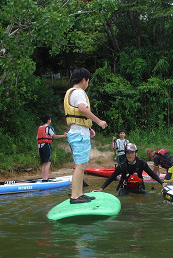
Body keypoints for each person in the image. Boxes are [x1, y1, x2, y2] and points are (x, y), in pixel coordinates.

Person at [64, 68, 107, 204]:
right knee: (80, 166)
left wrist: (88, 128)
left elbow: (79, 114)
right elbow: (82, 109)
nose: (87, 84)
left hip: (79, 132)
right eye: (88, 81)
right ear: (84, 80)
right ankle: (75, 196)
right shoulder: (79, 92)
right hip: (78, 134)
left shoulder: (72, 92)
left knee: (81, 165)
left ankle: (79, 194)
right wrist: (99, 121)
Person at [95, 143, 166, 196]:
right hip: (125, 189)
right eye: (128, 153)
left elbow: (152, 174)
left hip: (139, 188)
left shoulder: (142, 163)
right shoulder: (121, 166)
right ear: (125, 154)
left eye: (132, 153)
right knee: (121, 198)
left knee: (149, 196)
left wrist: (162, 182)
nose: (130, 155)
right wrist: (101, 189)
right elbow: (111, 177)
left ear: (136, 153)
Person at [38, 114, 66, 181]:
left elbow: (37, 139)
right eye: (50, 119)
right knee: (48, 162)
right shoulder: (49, 127)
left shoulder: (40, 128)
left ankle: (43, 178)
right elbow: (54, 136)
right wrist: (64, 135)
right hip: (46, 145)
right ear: (48, 120)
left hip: (40, 146)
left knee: (44, 162)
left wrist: (38, 149)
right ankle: (45, 179)